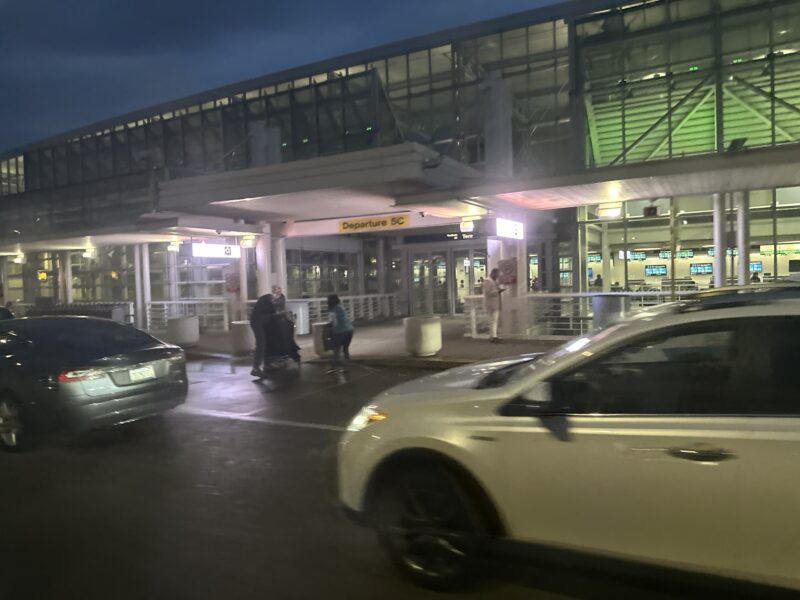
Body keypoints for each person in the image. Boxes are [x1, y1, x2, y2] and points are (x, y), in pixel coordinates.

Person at [250, 294, 275, 377]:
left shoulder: (261, 307)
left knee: (265, 343)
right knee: (261, 344)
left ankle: (267, 363)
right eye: (272, 299)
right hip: (258, 324)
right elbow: (273, 310)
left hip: (258, 322)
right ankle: (255, 368)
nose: (273, 300)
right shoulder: (266, 306)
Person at [327, 294, 354, 362]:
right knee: (345, 349)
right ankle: (348, 364)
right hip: (349, 330)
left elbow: (334, 323)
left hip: (340, 331)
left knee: (336, 350)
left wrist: (329, 326)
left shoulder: (332, 309)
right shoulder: (341, 306)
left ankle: (335, 367)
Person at [483, 268, 504, 343]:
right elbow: (489, 292)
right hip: (491, 304)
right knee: (493, 320)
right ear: (494, 273)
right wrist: (498, 291)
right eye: (497, 275)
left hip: (495, 303)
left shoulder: (494, 281)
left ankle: (493, 336)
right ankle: (493, 337)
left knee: (494, 321)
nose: (498, 277)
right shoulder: (488, 281)